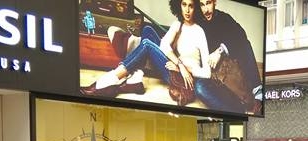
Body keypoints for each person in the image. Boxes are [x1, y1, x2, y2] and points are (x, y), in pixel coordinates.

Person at [82, 0, 241, 111]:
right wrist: (179, 64)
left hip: (182, 79)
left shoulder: (199, 32)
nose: (187, 10)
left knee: (146, 44)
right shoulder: (178, 25)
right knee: (147, 30)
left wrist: (185, 69)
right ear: (178, 5)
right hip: (174, 67)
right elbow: (165, 46)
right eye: (184, 4)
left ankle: (111, 79)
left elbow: (206, 73)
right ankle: (135, 78)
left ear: (196, 8)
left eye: (191, 6)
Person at [198, 0, 263, 102]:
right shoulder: (196, 21)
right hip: (207, 68)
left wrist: (219, 51)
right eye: (202, 5)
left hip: (226, 63)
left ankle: (257, 88)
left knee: (244, 43)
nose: (206, 10)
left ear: (215, 2)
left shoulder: (224, 18)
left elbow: (241, 35)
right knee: (200, 88)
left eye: (208, 3)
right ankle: (238, 103)